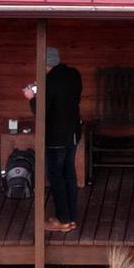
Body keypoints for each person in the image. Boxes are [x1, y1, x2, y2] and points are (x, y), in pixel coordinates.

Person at [42, 51, 83, 231]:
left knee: (56, 177)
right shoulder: (74, 74)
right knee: (69, 175)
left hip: (56, 136)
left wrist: (32, 97)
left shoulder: (49, 81)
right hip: (72, 132)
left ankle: (63, 220)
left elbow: (42, 110)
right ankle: (71, 217)